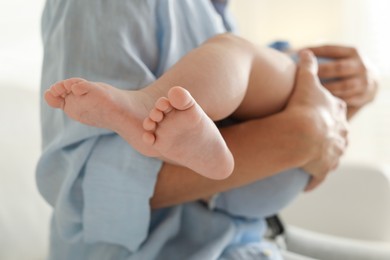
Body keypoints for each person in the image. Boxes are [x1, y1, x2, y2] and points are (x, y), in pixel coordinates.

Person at [36, 1, 378, 259]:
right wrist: (297, 136)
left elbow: (322, 130)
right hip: (209, 232)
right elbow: (82, 193)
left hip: (250, 221)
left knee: (237, 55)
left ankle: (155, 111)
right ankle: (153, 108)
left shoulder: (217, 14)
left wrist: (359, 92)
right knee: (236, 54)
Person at [44, 33, 297, 180]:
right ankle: (195, 150)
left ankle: (148, 105)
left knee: (234, 48)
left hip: (307, 97)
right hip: (267, 191)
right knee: (178, 130)